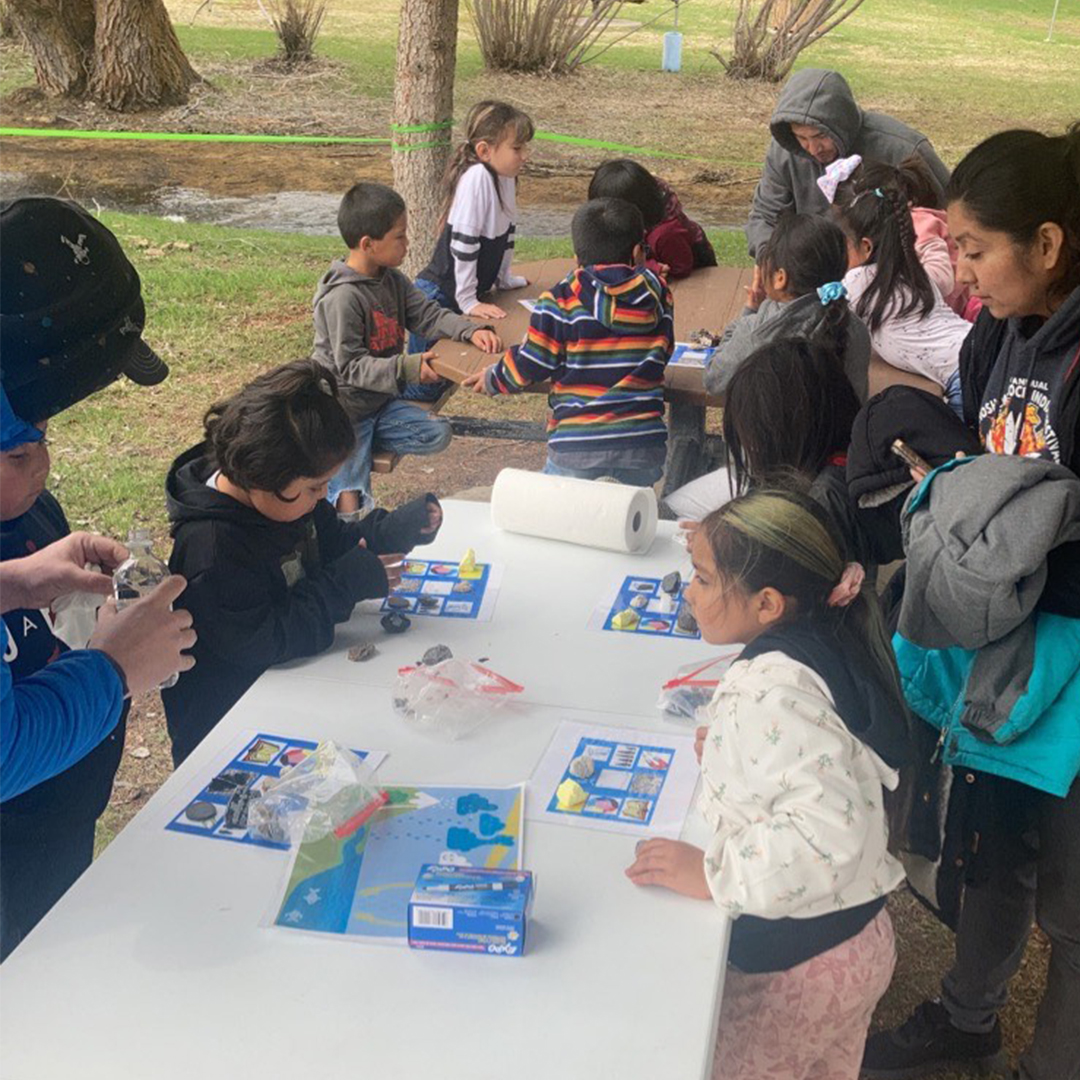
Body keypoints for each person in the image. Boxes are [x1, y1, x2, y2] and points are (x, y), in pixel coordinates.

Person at [863, 123, 1080, 1080]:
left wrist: (993, 547)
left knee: (1072, 899)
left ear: (1048, 243)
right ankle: (969, 1020)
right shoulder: (999, 331)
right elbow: (985, 458)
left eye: (977, 249)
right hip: (1000, 644)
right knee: (990, 848)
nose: (963, 272)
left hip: (1066, 660)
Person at [626, 489, 909, 1080]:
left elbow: (828, 837)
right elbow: (827, 750)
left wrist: (713, 873)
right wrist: (732, 746)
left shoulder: (769, 691)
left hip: (799, 970)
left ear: (767, 603)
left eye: (703, 579)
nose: (689, 592)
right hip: (854, 939)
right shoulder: (826, 636)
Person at [161, 359, 443, 766]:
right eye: (314, 487)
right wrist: (343, 586)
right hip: (229, 734)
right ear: (261, 476)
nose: (324, 495)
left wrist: (393, 530)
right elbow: (265, 640)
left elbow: (332, 541)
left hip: (289, 697)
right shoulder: (212, 550)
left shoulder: (285, 501)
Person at [312, 181, 503, 513]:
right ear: (368, 244)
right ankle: (349, 522)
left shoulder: (392, 280)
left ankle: (361, 441)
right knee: (350, 494)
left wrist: (469, 330)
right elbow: (351, 367)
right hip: (345, 409)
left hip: (381, 401)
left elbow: (427, 315)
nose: (407, 243)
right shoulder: (343, 298)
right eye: (399, 236)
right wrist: (410, 368)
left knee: (437, 432)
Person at [462, 198, 673, 486]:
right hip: (643, 447)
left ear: (576, 257)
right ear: (638, 252)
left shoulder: (559, 300)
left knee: (561, 507)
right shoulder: (659, 294)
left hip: (577, 446)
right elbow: (665, 351)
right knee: (628, 509)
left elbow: (533, 363)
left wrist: (494, 377)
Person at [668, 339, 893, 566]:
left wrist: (723, 551)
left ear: (784, 432)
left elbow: (783, 572)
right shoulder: (842, 458)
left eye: (754, 434)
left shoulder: (823, 500)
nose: (750, 447)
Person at [745, 68, 949, 258]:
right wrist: (769, 260)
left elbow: (951, 217)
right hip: (810, 271)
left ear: (842, 122)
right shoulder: (784, 150)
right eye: (802, 137)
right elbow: (765, 216)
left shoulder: (903, 148)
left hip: (889, 271)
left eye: (821, 135)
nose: (813, 149)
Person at [833, 162, 973, 414]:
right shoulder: (914, 274)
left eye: (845, 246)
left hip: (962, 375)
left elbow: (824, 313)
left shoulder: (857, 281)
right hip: (974, 345)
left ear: (866, 247)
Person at [704, 211, 870, 401]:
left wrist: (748, 314)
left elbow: (713, 380)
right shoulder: (855, 329)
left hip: (765, 422)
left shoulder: (757, 331)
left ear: (780, 278)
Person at [416, 100, 534, 322]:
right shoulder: (477, 178)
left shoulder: (507, 177)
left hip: (465, 295)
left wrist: (503, 278)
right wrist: (468, 300)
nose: (525, 155)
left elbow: (507, 233)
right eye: (517, 148)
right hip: (440, 298)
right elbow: (465, 245)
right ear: (484, 151)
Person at [587, 158, 717, 279]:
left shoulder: (666, 234)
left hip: (693, 276)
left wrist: (647, 267)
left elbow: (681, 269)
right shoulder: (630, 213)